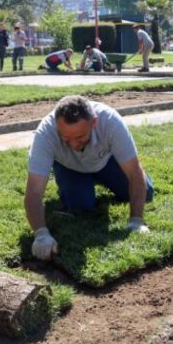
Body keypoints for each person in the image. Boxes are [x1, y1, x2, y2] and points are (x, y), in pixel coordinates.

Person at [25, 95, 154, 259]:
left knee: (147, 192)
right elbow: (33, 192)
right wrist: (41, 234)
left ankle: (102, 180)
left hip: (106, 162)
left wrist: (136, 220)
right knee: (82, 207)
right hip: (70, 167)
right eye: (65, 137)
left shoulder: (110, 121)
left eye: (79, 137)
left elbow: (134, 173)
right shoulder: (45, 133)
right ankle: (79, 186)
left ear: (94, 123)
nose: (73, 144)